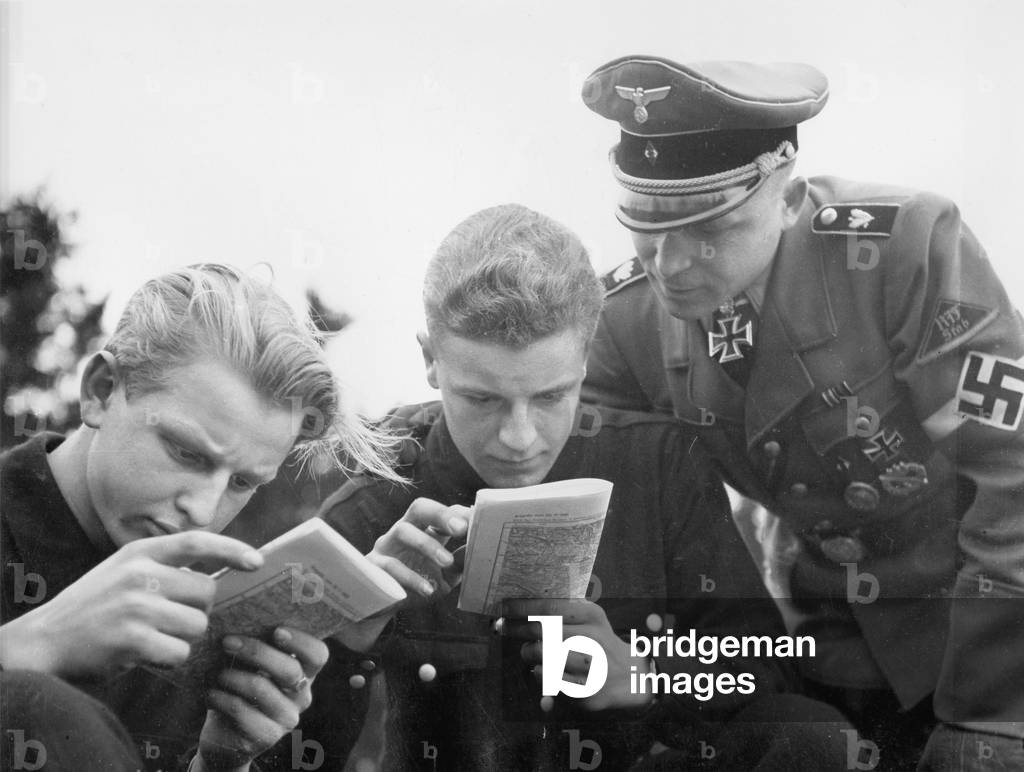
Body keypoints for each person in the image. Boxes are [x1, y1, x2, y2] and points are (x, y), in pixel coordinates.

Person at [578, 55, 1024, 770]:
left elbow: (1016, 472)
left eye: (709, 230)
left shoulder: (902, 248)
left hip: (981, 630)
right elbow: (606, 502)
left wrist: (995, 714)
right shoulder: (626, 322)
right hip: (822, 645)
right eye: (650, 227)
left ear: (788, 198)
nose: (672, 265)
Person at [292, 204, 852, 771]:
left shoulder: (659, 462)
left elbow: (764, 667)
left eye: (551, 396)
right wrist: (347, 639)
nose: (518, 437)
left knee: (813, 738)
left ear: (586, 361)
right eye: (482, 399)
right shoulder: (372, 501)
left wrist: (649, 678)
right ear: (431, 360)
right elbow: (281, 754)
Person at [0, 264, 397, 772]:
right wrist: (35, 644)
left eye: (241, 483)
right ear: (101, 391)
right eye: (188, 453)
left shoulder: (204, 623)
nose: (203, 511)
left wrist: (218, 763)